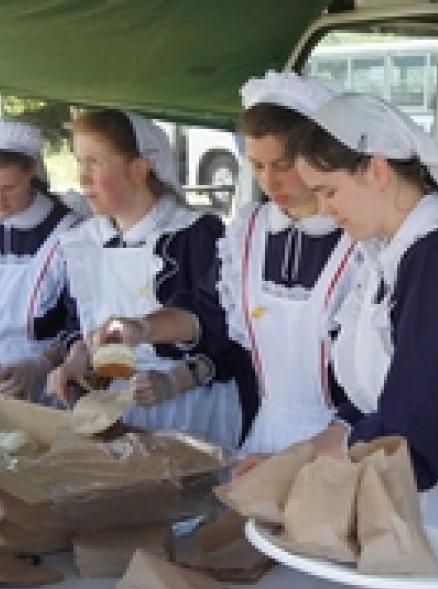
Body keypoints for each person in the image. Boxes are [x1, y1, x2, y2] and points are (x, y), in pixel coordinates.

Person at [87, 72, 360, 467]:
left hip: (341, 441)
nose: (269, 180)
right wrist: (143, 328)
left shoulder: (354, 238)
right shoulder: (249, 231)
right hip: (264, 429)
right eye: (256, 165)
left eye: (283, 165)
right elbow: (207, 313)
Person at [286, 91, 438, 551]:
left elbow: (427, 411)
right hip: (425, 471)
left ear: (377, 169)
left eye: (329, 190)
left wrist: (336, 456)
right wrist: (332, 436)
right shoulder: (389, 251)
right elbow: (384, 383)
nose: (323, 209)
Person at [46, 109, 243, 448]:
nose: (83, 179)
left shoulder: (193, 236)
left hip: (189, 410)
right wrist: (77, 358)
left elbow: (228, 332)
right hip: (113, 410)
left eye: (95, 163)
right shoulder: (84, 241)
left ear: (138, 169)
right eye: (79, 162)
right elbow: (79, 323)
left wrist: (179, 378)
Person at [0, 117, 79, 402]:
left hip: (47, 385)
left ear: (32, 169)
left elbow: (84, 327)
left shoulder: (69, 234)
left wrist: (38, 366)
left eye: (8, 187)